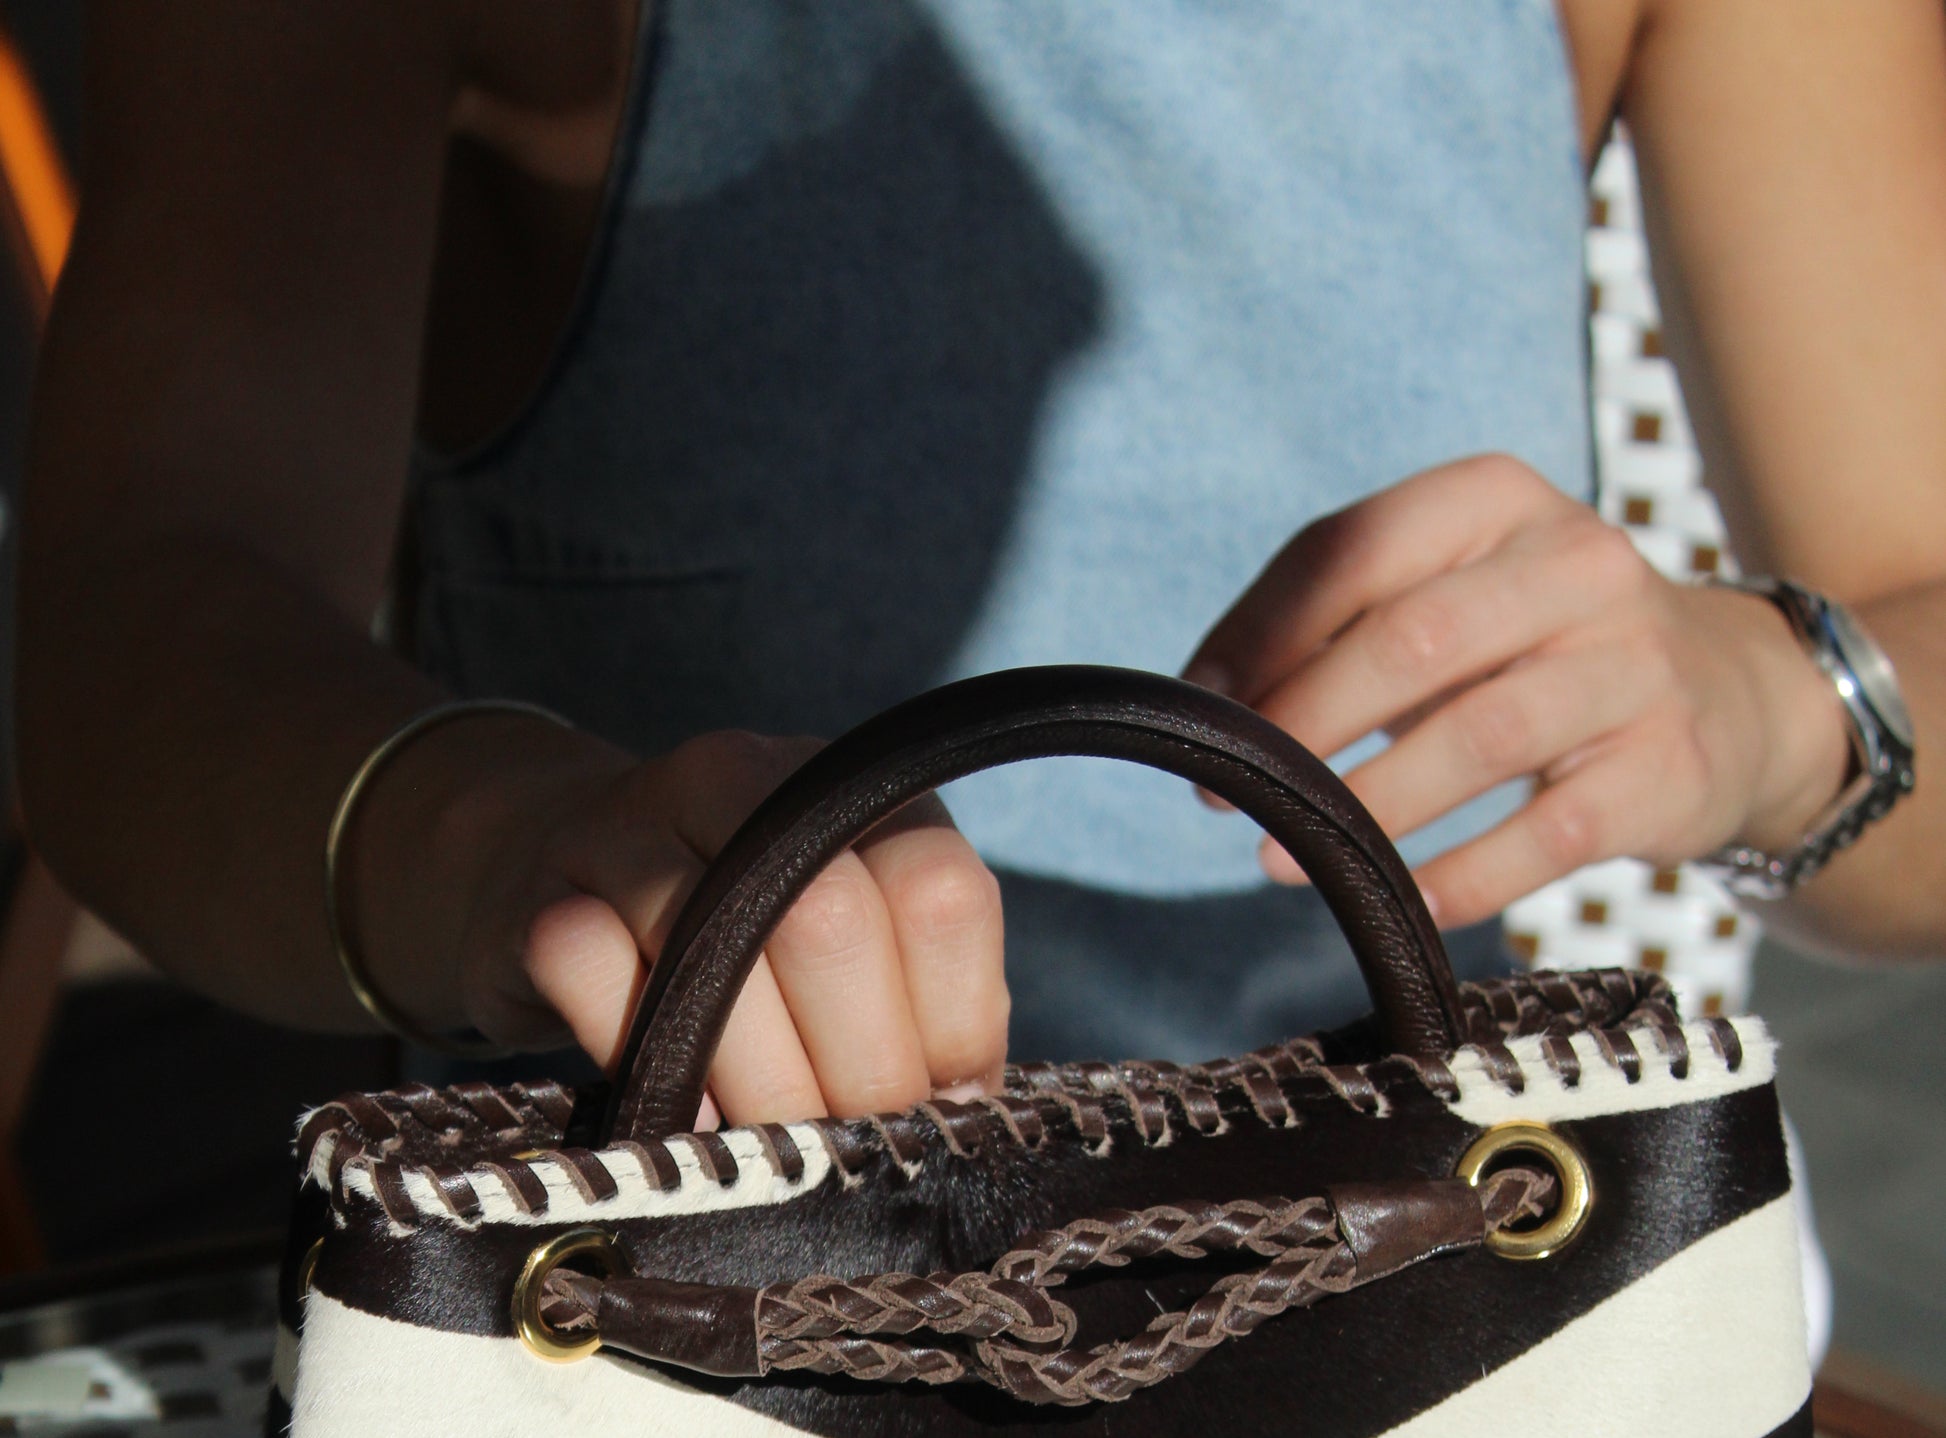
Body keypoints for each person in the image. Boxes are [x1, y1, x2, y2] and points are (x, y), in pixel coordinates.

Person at [19, 1, 1946, 1130]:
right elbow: (128, 634)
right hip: (678, 1364)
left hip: (1431, 1312)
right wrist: (502, 850)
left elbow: (1911, 621)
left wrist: (1782, 700)